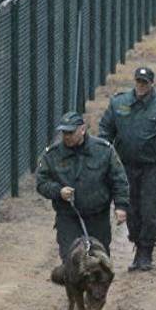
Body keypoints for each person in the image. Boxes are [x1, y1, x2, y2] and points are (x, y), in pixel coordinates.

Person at [99, 67, 156, 272]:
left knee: (148, 209)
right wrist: (103, 157)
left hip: (151, 167)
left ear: (151, 84)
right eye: (138, 81)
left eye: (145, 82)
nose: (141, 86)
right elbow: (105, 130)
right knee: (130, 208)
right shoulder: (119, 103)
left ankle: (145, 252)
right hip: (125, 166)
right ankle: (136, 239)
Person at [36, 112, 130, 268]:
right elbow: (41, 183)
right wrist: (58, 191)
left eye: (71, 132)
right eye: (64, 132)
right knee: (70, 259)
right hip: (68, 216)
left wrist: (121, 206)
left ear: (82, 130)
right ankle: (75, 291)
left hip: (97, 216)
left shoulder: (103, 151)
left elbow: (119, 179)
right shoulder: (52, 155)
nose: (67, 136)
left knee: (99, 262)